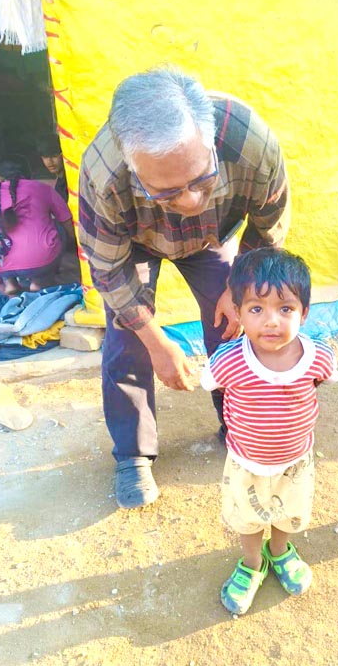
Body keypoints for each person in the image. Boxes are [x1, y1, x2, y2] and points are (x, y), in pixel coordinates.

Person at [78, 67, 290, 510]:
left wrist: (241, 286)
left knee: (237, 325)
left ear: (210, 143)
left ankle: (239, 426)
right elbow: (109, 270)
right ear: (134, 168)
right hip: (134, 245)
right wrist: (156, 343)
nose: (190, 201)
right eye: (168, 192)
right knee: (128, 341)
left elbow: (269, 223)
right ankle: (133, 455)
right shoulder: (104, 173)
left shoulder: (251, 142)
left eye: (201, 180)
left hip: (212, 237)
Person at [200, 248, 338, 614]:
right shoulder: (228, 360)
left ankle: (279, 551)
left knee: (290, 512)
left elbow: (323, 379)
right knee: (247, 519)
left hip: (296, 460)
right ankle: (252, 563)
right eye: (256, 309)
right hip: (246, 462)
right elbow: (210, 382)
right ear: (237, 311)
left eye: (286, 308)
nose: (271, 322)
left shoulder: (318, 357)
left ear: (304, 313)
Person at [0, 155, 75, 296]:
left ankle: (9, 283)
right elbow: (67, 222)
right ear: (30, 173)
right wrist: (72, 246)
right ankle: (39, 282)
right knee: (58, 227)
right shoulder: (43, 189)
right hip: (38, 261)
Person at [38, 133, 68, 203]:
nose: (50, 161)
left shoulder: (71, 183)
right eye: (45, 157)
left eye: (54, 156)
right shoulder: (59, 182)